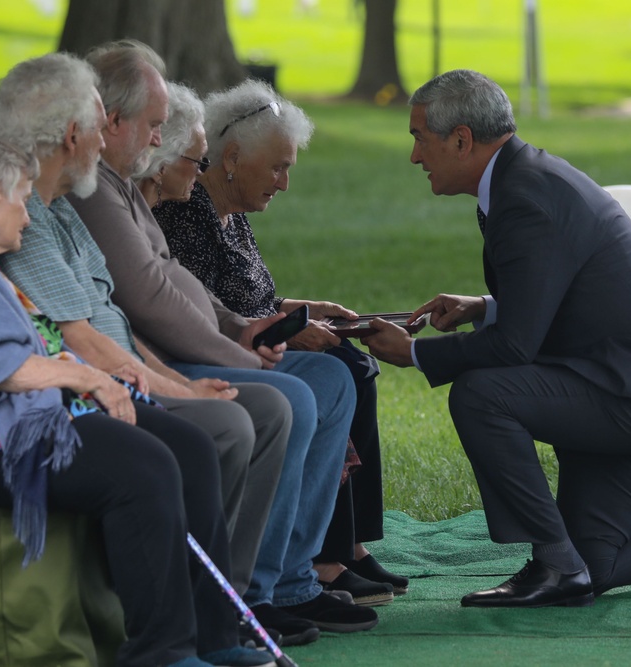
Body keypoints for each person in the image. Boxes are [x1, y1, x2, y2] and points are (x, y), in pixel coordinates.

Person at [362, 69, 631, 607]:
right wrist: (487, 307)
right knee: (596, 564)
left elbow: (515, 349)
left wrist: (416, 354)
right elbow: (568, 293)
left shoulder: (525, 196)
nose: (414, 156)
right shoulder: (525, 179)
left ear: (461, 139)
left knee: (480, 393)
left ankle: (553, 561)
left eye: (418, 139)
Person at [0, 133, 274, 667]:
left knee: (188, 448)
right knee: (144, 466)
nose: (28, 217)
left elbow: (35, 346)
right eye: (21, 198)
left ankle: (212, 635)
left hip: (25, 418)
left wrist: (115, 379)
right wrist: (93, 383)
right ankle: (161, 653)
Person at [65, 40, 377, 642]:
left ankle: (292, 578)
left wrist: (244, 327)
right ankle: (248, 593)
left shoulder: (120, 186)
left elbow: (176, 282)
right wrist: (241, 351)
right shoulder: (98, 189)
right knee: (292, 396)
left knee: (337, 378)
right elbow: (149, 298)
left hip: (185, 350)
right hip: (156, 359)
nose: (162, 143)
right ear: (112, 121)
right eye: (157, 128)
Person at [0, 52, 292, 600]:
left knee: (262, 409)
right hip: (79, 393)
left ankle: (229, 599)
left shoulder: (61, 207)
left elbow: (118, 323)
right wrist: (180, 386)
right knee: (229, 425)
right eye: (100, 127)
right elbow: (81, 339)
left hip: (122, 370)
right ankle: (196, 607)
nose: (107, 143)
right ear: (70, 132)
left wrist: (185, 380)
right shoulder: (29, 214)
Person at [137, 79, 407, 606]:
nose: (284, 183)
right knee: (338, 373)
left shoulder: (231, 212)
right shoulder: (183, 211)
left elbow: (238, 299)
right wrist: (271, 334)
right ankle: (311, 565)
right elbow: (193, 316)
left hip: (247, 340)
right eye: (279, 168)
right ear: (231, 158)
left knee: (349, 366)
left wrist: (299, 311)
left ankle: (336, 550)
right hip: (205, 357)